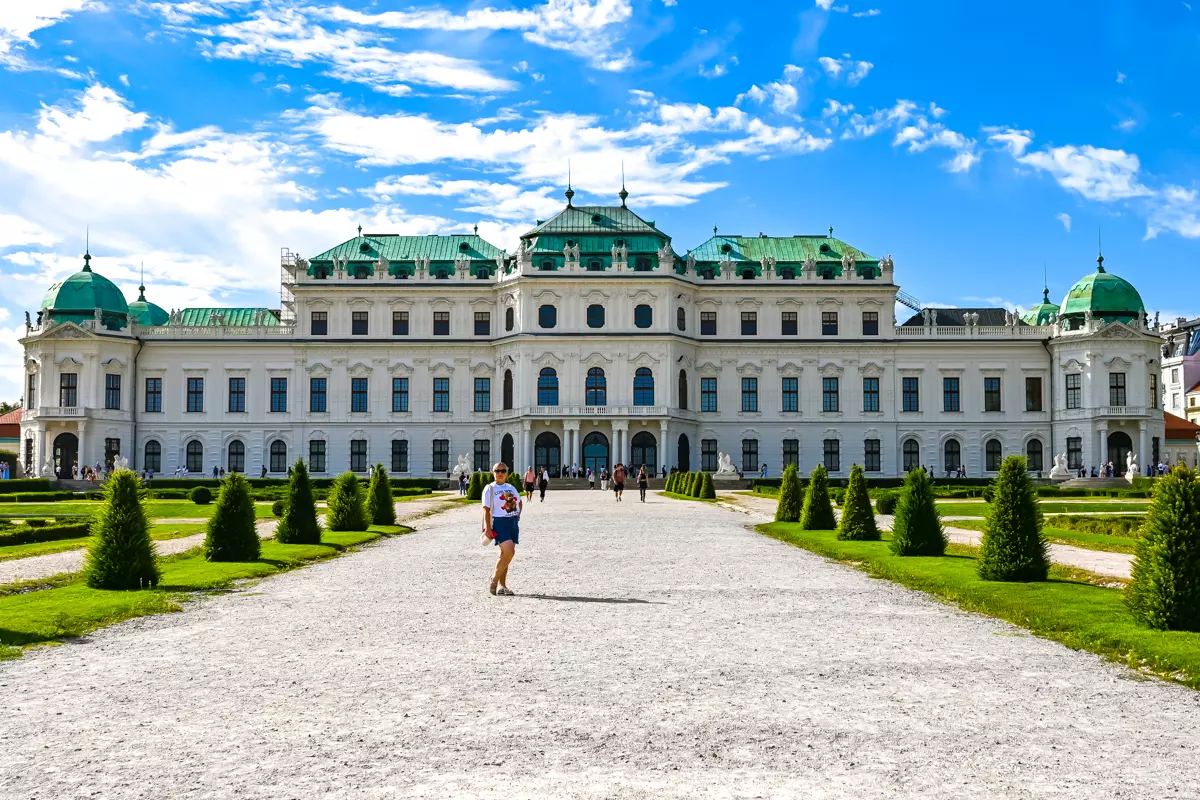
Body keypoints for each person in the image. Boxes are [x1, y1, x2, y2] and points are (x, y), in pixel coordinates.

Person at [481, 462, 522, 596]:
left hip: (512, 522)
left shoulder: (511, 487)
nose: (500, 473)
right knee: (509, 551)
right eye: (497, 471)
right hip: (499, 522)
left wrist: (518, 514)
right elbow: (486, 509)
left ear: (507, 473)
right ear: (493, 473)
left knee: (505, 554)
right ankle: (494, 578)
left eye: (503, 471)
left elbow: (519, 501)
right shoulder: (490, 488)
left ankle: (502, 586)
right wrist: (487, 527)